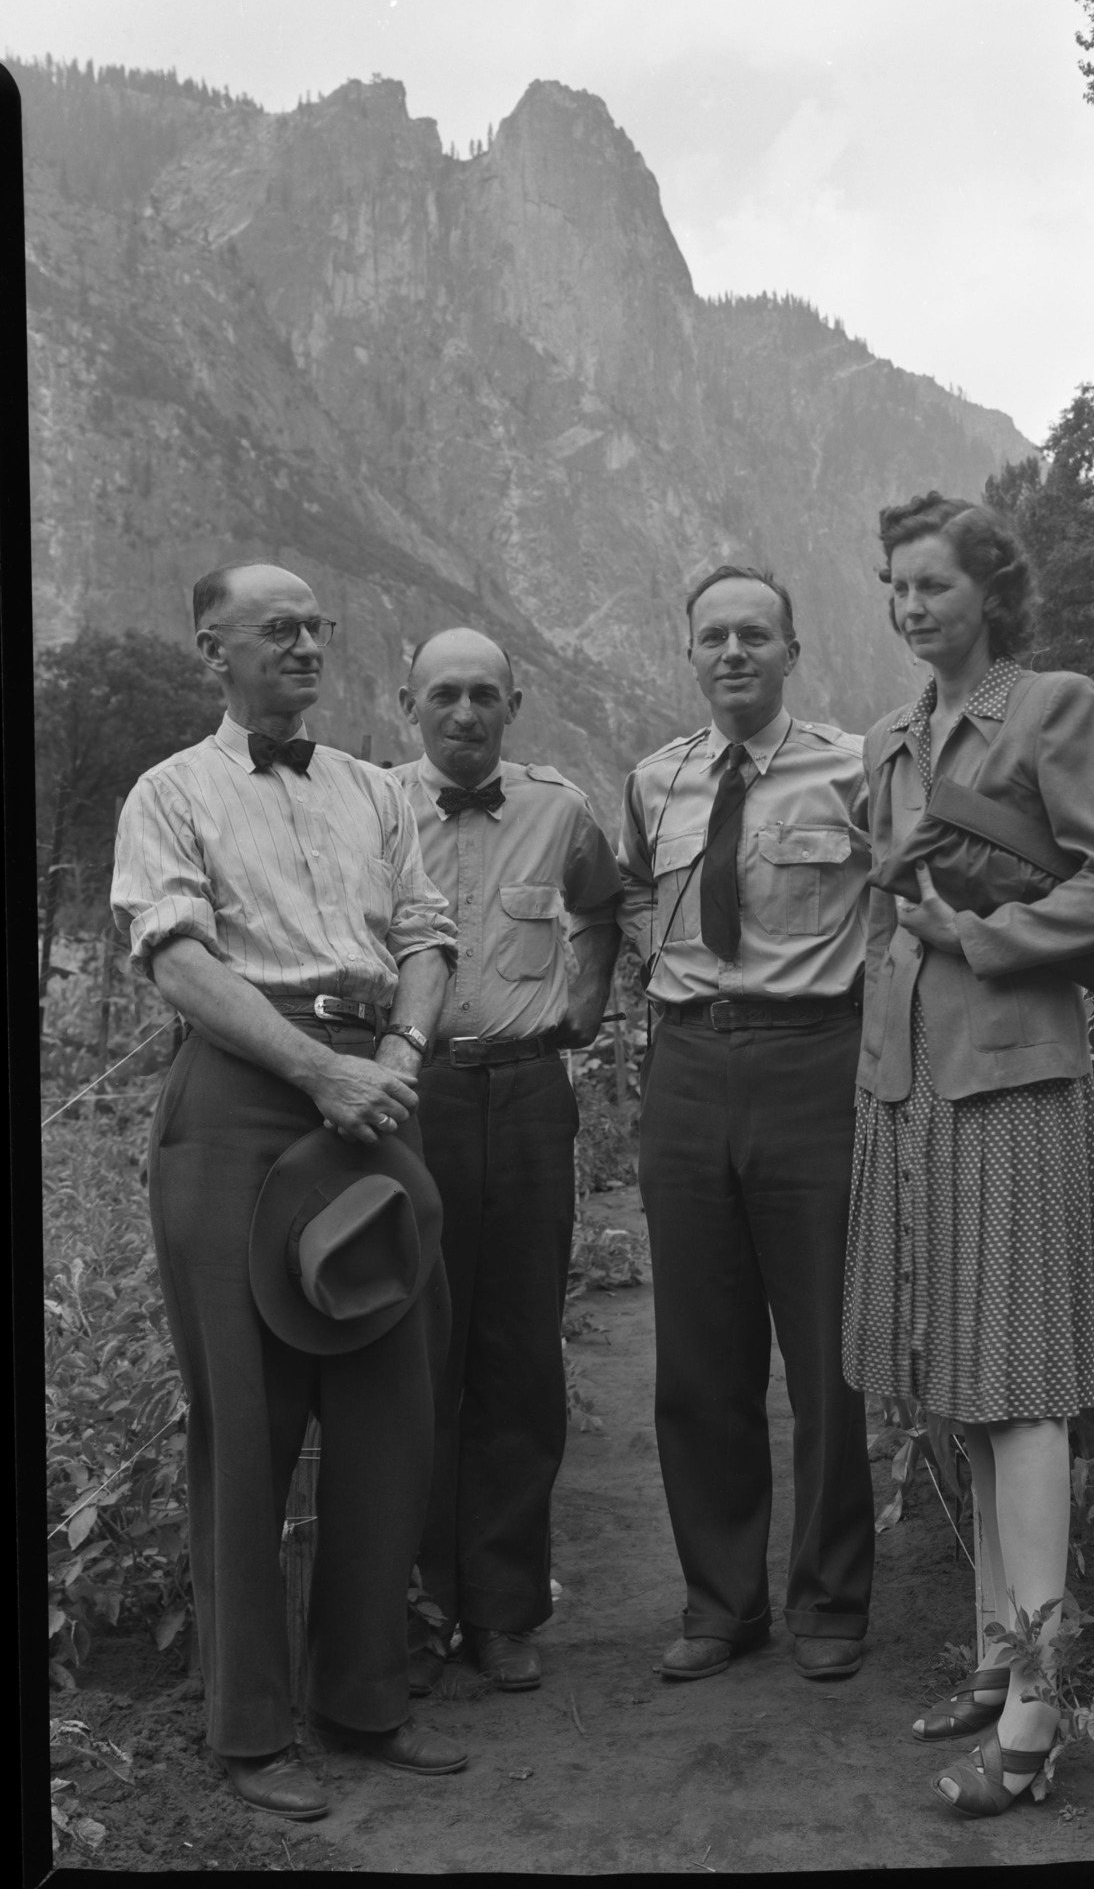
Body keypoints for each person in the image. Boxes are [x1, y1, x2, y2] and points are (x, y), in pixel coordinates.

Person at [111, 563, 468, 1822]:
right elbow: (179, 956)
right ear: (215, 647)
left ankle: (365, 1699)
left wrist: (398, 1059)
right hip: (244, 1099)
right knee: (245, 1419)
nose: (307, 643)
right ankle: (249, 1729)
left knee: (389, 1398)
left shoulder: (376, 789)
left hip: (371, 1091)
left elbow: (426, 937)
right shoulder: (170, 793)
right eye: (279, 628)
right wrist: (318, 1067)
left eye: (319, 625)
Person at [841, 494, 1094, 1817]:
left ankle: (1034, 1711)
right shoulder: (889, 737)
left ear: (989, 589)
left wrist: (984, 936)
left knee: (1020, 1387)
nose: (908, 607)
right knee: (960, 1384)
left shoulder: (1051, 708)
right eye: (892, 588)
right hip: (907, 1087)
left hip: (1012, 1084)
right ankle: (990, 1658)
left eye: (929, 585)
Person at [616, 564, 876, 1683]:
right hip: (685, 1066)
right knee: (700, 1350)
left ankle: (829, 1597)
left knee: (826, 1351)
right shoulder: (652, 779)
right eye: (713, 635)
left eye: (754, 635)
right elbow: (629, 894)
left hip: (814, 1061)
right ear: (690, 653)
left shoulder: (858, 769)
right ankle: (722, 1600)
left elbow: (906, 894)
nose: (733, 652)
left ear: (790, 651)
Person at [392, 627, 622, 1694]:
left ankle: (505, 1607)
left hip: (530, 1095)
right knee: (412, 1343)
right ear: (410, 702)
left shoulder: (559, 808)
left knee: (519, 1354)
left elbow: (602, 904)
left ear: (513, 703)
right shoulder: (373, 805)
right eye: (446, 693)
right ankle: (421, 1595)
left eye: (486, 694)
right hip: (415, 1094)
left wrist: (583, 1006)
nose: (466, 713)